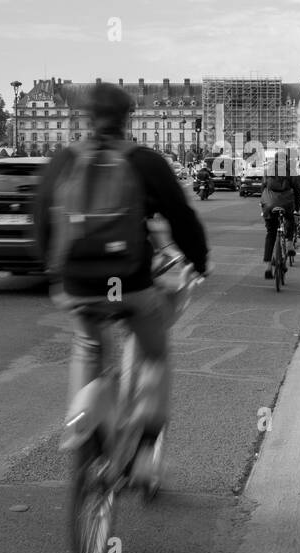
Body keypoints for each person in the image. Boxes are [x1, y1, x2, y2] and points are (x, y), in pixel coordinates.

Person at [33, 83, 208, 471]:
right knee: (155, 356)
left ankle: (82, 419)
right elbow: (182, 217)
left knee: (88, 346)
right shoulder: (144, 160)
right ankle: (145, 448)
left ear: (85, 118)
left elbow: (41, 217)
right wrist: (198, 262)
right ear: (128, 118)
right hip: (130, 284)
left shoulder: (64, 160)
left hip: (80, 285)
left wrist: (54, 276)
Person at [261, 161, 300, 278]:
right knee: (290, 220)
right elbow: (297, 192)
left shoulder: (268, 171)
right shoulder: (291, 172)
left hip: (269, 205)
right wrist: (297, 208)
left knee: (270, 234)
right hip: (286, 203)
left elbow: (262, 189)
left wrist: (263, 205)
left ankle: (268, 266)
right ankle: (289, 244)